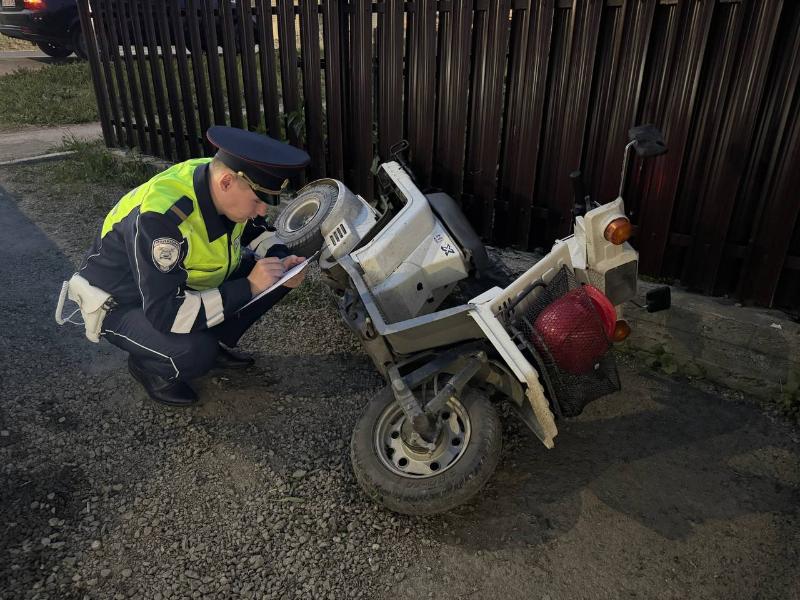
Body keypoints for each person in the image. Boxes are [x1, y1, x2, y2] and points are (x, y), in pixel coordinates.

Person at [75, 126, 311, 407]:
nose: (262, 210)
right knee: (196, 352)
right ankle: (149, 366)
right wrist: (249, 286)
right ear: (226, 183)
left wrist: (282, 258)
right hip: (124, 302)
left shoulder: (219, 179)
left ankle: (208, 334)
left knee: (275, 273)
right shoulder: (161, 219)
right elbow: (166, 313)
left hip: (175, 283)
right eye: (258, 200)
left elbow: (260, 231)